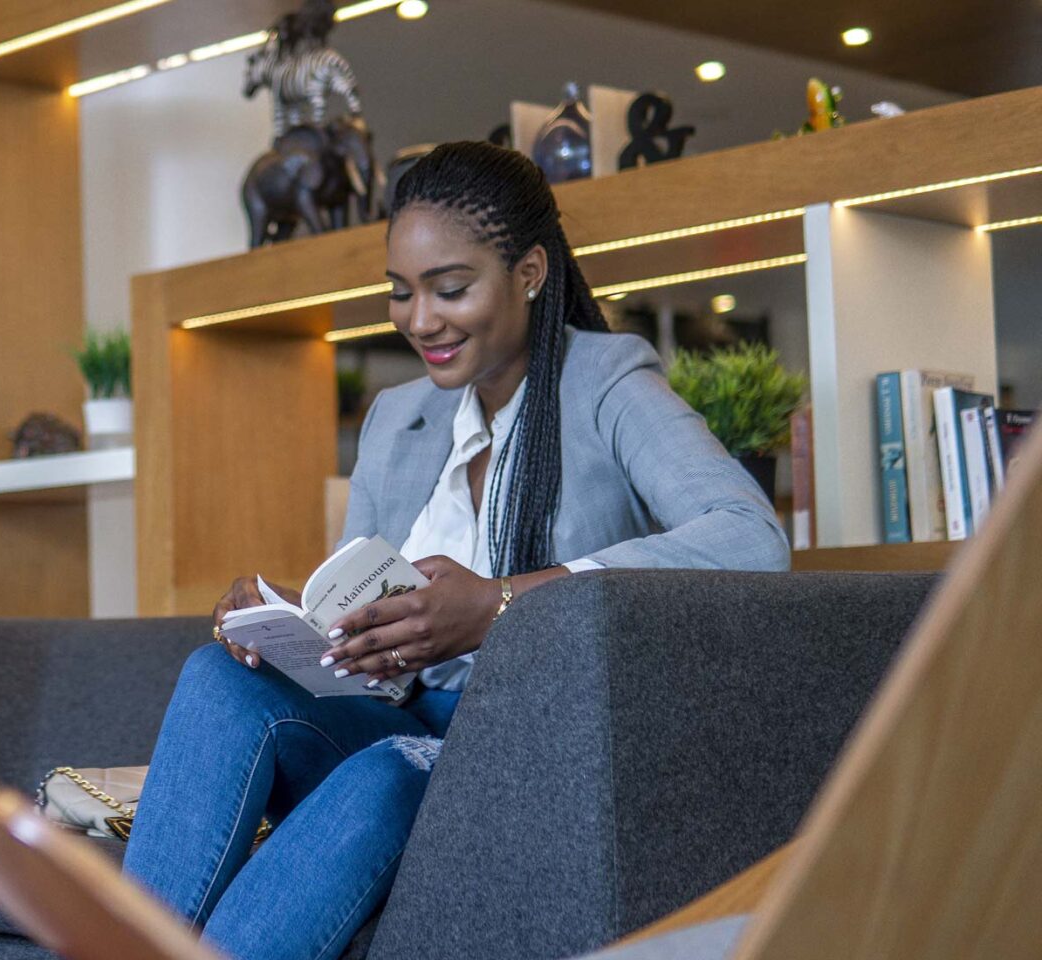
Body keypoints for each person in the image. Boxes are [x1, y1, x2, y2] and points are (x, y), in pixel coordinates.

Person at [121, 142, 789, 960]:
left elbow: (749, 536)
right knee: (217, 678)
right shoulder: (397, 419)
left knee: (386, 777)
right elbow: (361, 619)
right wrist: (287, 623)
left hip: (520, 740)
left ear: (531, 272)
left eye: (451, 288)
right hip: (397, 713)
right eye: (401, 293)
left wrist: (498, 603)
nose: (419, 320)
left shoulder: (607, 383)